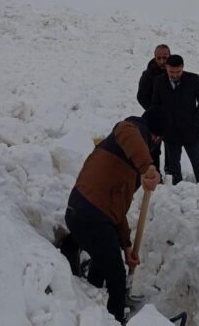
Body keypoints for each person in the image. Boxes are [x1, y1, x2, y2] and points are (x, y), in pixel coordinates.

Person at [63, 107, 166, 323]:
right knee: (117, 276)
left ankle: (93, 299)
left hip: (86, 215)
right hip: (90, 218)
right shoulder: (130, 130)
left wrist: (127, 246)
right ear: (156, 138)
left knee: (105, 259)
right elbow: (126, 130)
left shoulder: (126, 161)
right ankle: (116, 319)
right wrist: (148, 168)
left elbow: (117, 211)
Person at [151, 54, 199, 184]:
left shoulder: (193, 79)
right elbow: (155, 106)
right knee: (174, 169)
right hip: (170, 134)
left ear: (183, 67)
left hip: (191, 132)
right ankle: (177, 192)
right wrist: (160, 128)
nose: (175, 75)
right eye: (171, 72)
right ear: (166, 68)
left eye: (178, 72)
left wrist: (195, 120)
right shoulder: (159, 81)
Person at [137, 44, 171, 174]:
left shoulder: (174, 71)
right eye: (159, 58)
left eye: (165, 57)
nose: (162, 61)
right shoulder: (148, 75)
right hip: (155, 120)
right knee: (154, 149)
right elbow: (141, 96)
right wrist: (154, 112)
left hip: (172, 118)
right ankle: (155, 175)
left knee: (172, 148)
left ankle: (171, 173)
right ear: (154, 57)